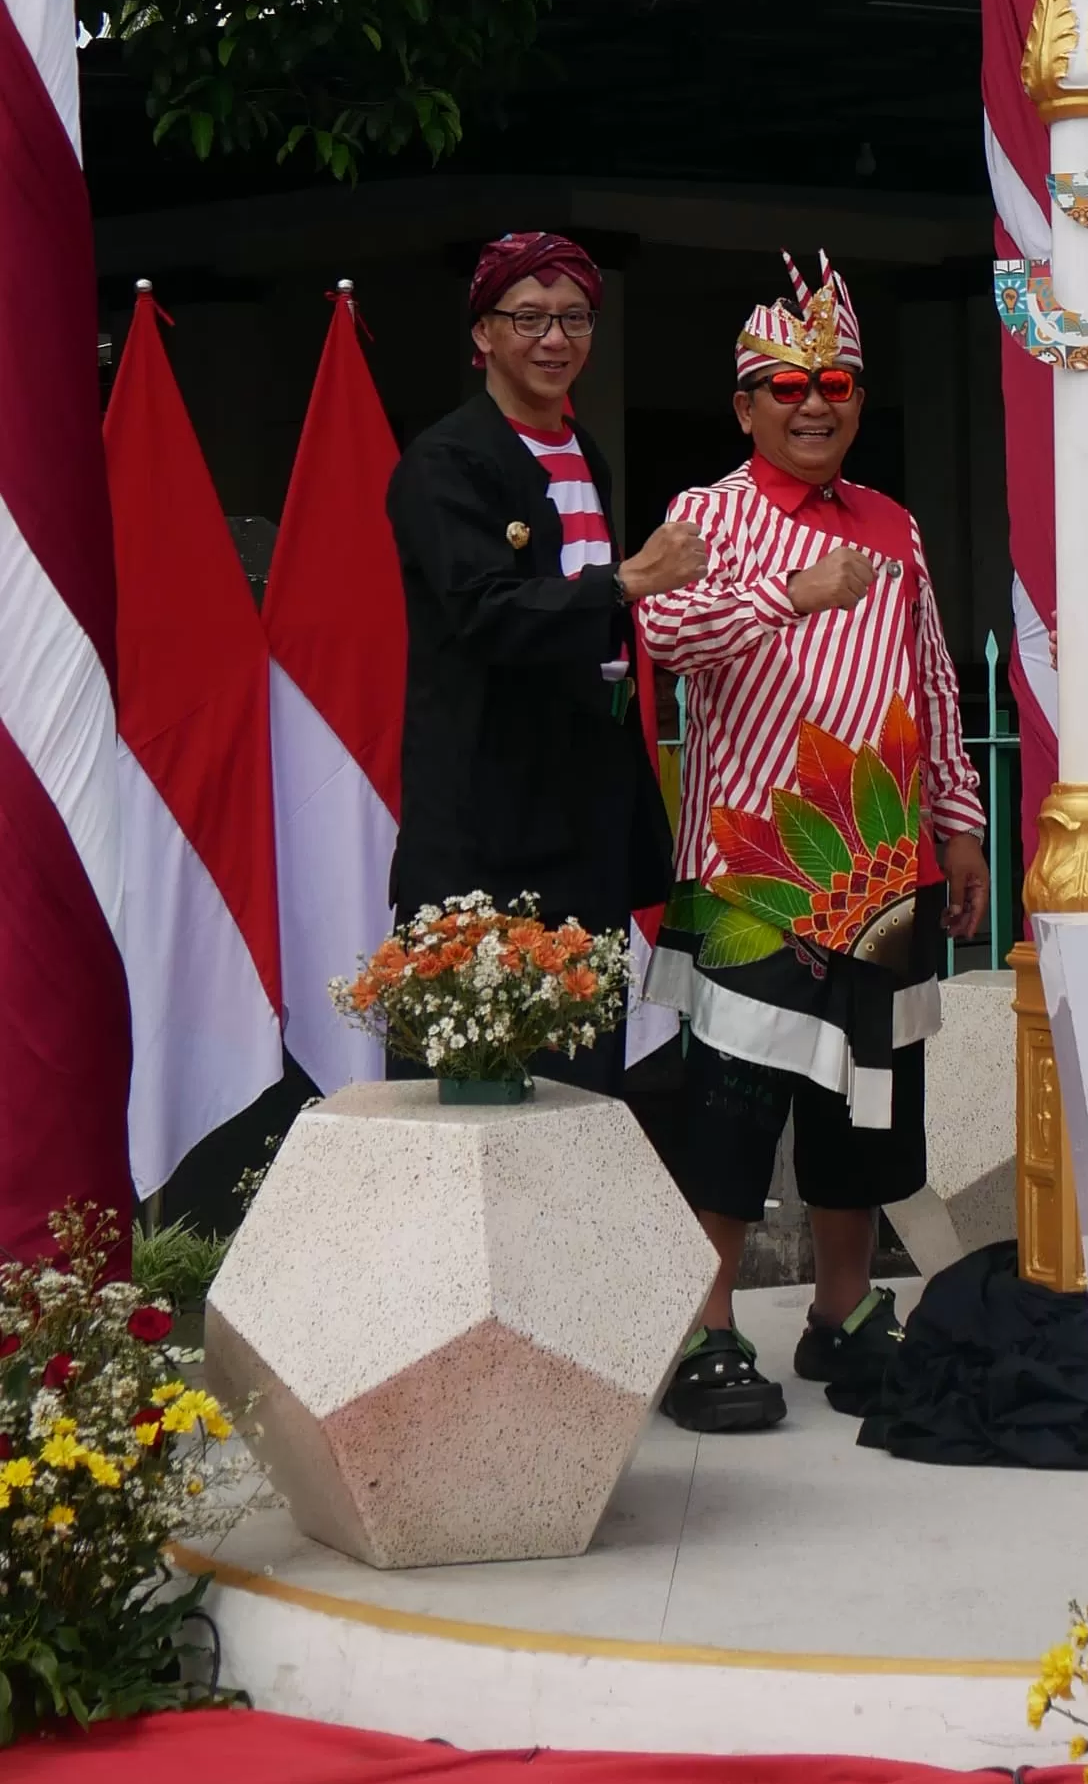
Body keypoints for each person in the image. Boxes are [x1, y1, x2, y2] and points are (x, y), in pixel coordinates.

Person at [635, 254, 990, 1436]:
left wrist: (963, 828)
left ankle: (843, 1312)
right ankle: (707, 1326)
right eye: (786, 386)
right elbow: (669, 635)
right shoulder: (706, 514)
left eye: (835, 381)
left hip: (887, 872)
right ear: (745, 406)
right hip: (752, 866)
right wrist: (796, 595)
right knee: (728, 1111)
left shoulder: (895, 525)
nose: (814, 403)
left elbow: (934, 686)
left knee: (871, 1111)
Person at [385, 232, 702, 1082]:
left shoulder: (582, 449)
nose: (555, 339)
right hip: (485, 825)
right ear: (482, 333)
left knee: (583, 1082)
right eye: (528, 318)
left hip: (581, 818)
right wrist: (626, 582)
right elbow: (481, 609)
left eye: (574, 318)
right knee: (465, 1093)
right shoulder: (445, 462)